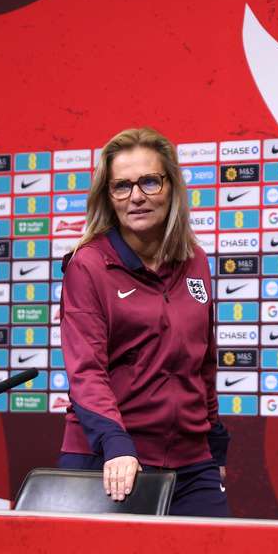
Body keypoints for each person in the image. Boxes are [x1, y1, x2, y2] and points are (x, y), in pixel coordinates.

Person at [57, 127, 230, 517]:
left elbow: (204, 363)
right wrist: (115, 444)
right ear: (109, 196)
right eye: (122, 186)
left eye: (149, 181)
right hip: (111, 457)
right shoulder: (88, 265)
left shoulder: (195, 261)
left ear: (171, 187)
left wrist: (214, 447)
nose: (137, 196)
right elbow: (86, 371)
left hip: (191, 462)